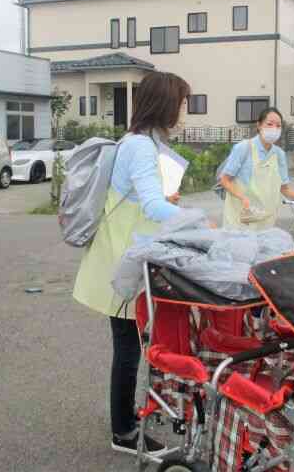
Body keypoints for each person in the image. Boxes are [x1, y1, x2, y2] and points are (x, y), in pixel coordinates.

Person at [72, 71, 192, 455]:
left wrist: (167, 206)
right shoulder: (141, 146)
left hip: (125, 255)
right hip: (122, 261)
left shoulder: (139, 142)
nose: (185, 111)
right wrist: (198, 221)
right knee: (128, 346)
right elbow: (153, 204)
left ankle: (128, 418)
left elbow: (148, 200)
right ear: (167, 104)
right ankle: (123, 431)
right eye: (183, 103)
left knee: (132, 342)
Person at [220, 107, 294, 230]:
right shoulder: (244, 148)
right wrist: (242, 197)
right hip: (241, 219)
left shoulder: (279, 154)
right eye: (270, 124)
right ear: (259, 125)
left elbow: (284, 188)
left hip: (266, 221)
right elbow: (225, 180)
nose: (274, 129)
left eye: (278, 126)